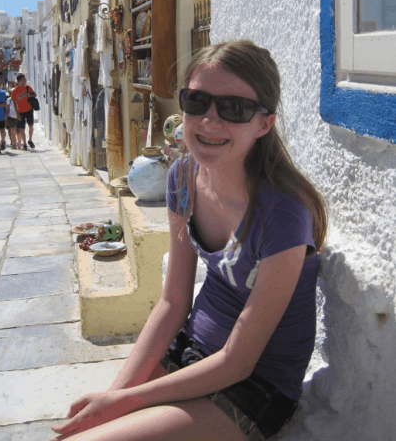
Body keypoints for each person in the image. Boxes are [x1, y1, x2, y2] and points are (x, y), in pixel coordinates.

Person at [50, 40, 327, 441]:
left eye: (234, 108)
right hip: (191, 351)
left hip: (252, 386)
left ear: (264, 123)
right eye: (197, 102)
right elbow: (172, 302)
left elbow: (239, 362)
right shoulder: (182, 178)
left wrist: (123, 404)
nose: (210, 121)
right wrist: (113, 398)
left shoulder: (283, 214)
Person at [11, 73, 36, 150]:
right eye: (24, 79)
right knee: (22, 129)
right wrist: (17, 113)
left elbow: (35, 94)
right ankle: (24, 144)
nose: (25, 80)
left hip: (29, 110)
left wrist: (30, 95)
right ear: (20, 80)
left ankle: (30, 140)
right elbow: (14, 103)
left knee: (31, 126)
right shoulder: (14, 91)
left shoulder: (28, 88)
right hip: (20, 111)